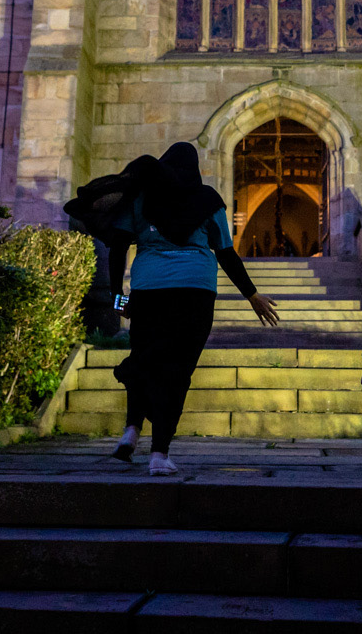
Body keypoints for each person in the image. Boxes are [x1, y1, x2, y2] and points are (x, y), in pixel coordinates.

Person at [105, 143, 280, 475]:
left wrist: (117, 298)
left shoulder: (142, 196)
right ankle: (159, 455)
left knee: (146, 356)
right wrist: (252, 295)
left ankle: (131, 431)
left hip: (148, 292)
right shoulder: (207, 200)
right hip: (195, 294)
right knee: (177, 369)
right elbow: (225, 253)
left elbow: (117, 248)